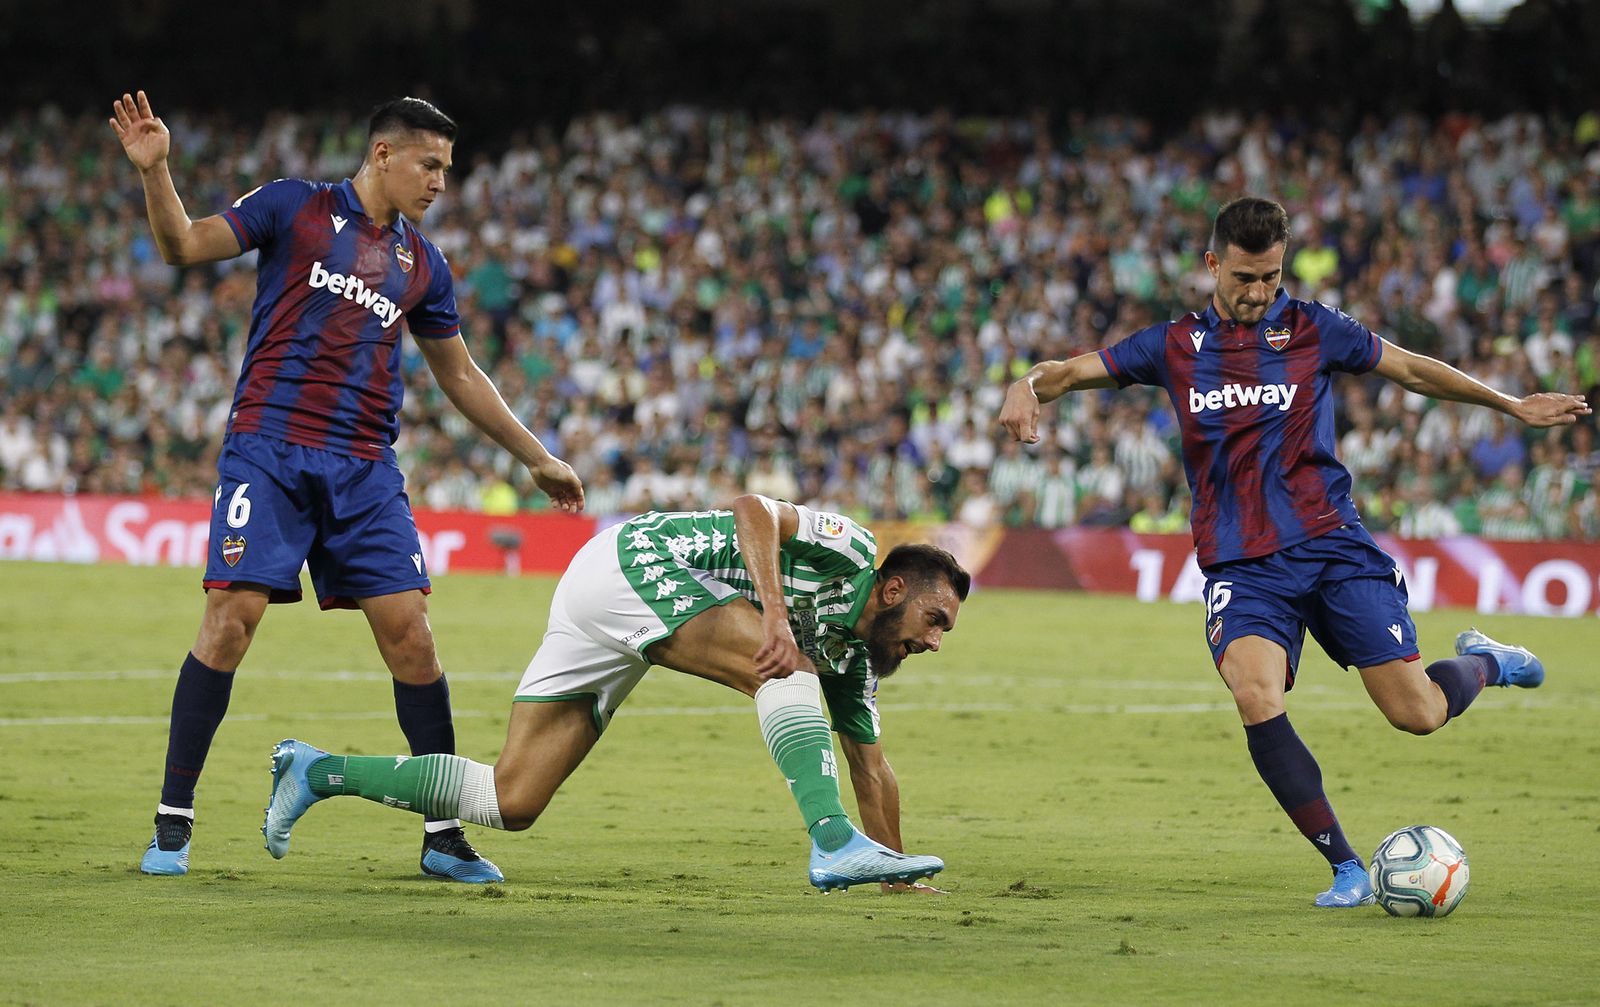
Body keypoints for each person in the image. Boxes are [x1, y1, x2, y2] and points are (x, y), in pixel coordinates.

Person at [998, 196, 1591, 908]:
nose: (1258, 293)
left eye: (1271, 277)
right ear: (1213, 263)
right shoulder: (1172, 346)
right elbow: (1060, 372)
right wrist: (1023, 385)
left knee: (1418, 713)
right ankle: (1344, 864)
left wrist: (1513, 405)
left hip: (1332, 547)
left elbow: (1410, 370)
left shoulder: (1315, 328)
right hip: (1243, 565)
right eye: (1245, 277)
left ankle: (1488, 660)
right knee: (1255, 692)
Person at [110, 90, 585, 881]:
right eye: (429, 165)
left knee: (413, 638)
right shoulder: (295, 208)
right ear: (383, 155)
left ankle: (443, 834)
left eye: (448, 169)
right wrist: (157, 173)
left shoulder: (423, 264)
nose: (439, 182)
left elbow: (459, 372)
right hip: (269, 449)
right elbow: (183, 245)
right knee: (231, 620)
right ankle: (172, 821)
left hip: (365, 467)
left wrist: (533, 454)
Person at [262, 495, 967, 892]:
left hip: (601, 601)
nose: (934, 641)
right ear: (895, 588)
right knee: (780, 664)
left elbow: (870, 767)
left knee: (512, 799)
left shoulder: (854, 662)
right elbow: (754, 508)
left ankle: (316, 770)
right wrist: (778, 614)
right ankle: (832, 840)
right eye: (934, 620)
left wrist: (898, 877)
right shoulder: (850, 549)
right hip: (638, 560)